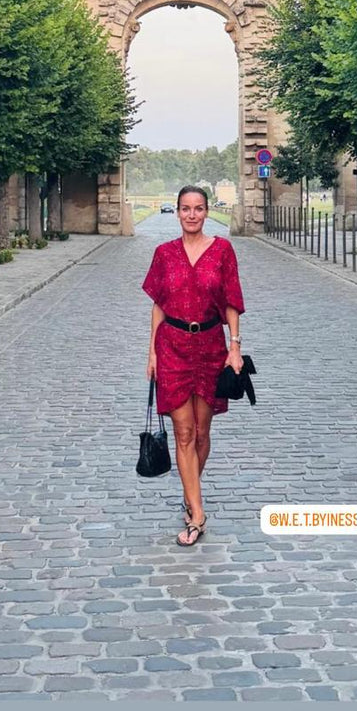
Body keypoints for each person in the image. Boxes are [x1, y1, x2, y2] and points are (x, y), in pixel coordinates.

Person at [142, 185, 245, 547]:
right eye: (185, 209)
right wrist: (151, 352)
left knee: (202, 433)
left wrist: (235, 347)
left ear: (206, 212)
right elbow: (157, 304)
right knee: (183, 432)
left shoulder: (222, 251)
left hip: (210, 346)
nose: (191, 215)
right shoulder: (163, 254)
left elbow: (231, 300)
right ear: (177, 212)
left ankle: (191, 493)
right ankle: (197, 514)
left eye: (198, 209)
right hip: (172, 346)